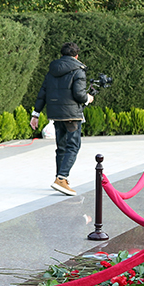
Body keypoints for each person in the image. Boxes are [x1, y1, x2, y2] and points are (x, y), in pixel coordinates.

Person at [31, 42, 93, 196]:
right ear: (76, 55)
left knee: (61, 146)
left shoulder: (52, 70)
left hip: (56, 114)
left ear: (62, 54)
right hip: (72, 114)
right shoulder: (78, 70)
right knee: (73, 146)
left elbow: (43, 92)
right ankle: (62, 179)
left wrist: (36, 114)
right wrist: (88, 99)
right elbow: (79, 95)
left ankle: (59, 177)